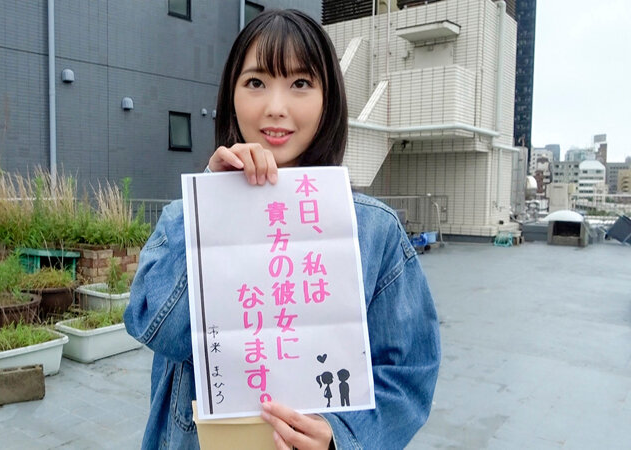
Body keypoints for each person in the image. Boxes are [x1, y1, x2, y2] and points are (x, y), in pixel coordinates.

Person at [124, 9, 440, 450]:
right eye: (256, 82)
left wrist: (341, 435)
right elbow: (154, 325)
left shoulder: (374, 230)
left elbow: (409, 373)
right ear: (231, 95)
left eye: (301, 83)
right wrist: (211, 208)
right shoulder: (187, 214)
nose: (276, 107)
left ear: (328, 99)